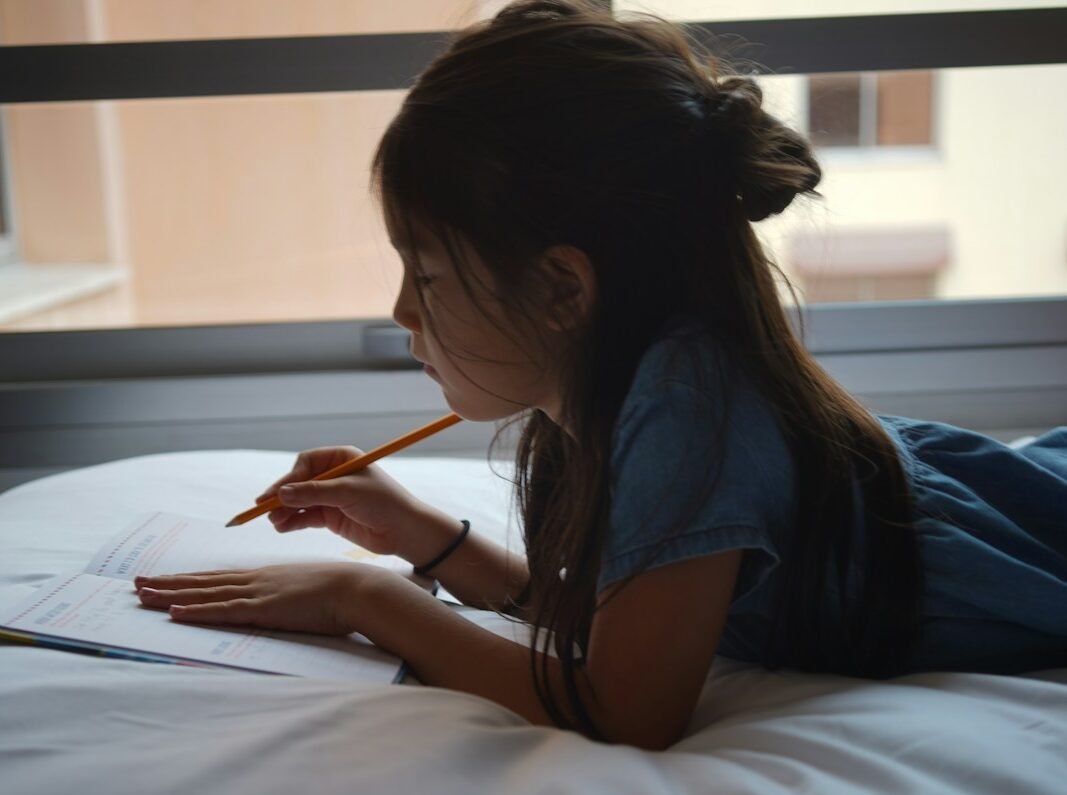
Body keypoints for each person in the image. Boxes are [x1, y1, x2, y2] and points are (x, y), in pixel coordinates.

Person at [135, 0, 1067, 750]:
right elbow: (609, 619)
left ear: (561, 287)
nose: (402, 313)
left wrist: (362, 598)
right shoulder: (627, 386)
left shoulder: (689, 407)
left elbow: (623, 708)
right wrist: (422, 537)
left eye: (425, 275)